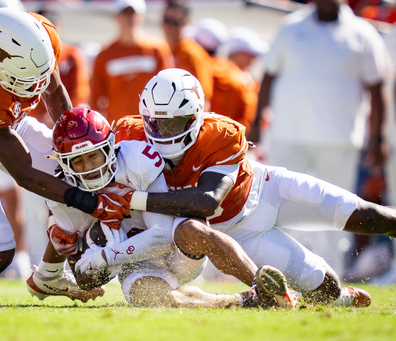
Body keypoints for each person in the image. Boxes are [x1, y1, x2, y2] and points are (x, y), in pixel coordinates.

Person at [112, 68, 392, 307]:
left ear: (196, 115)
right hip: (233, 232)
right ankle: (336, 297)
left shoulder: (220, 134)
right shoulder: (128, 134)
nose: (164, 132)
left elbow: (208, 200)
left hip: (267, 189)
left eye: (174, 123)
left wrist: (134, 200)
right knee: (326, 285)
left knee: (368, 215)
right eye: (155, 123)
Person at [0, 7, 130, 307]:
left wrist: (75, 146)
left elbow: (54, 89)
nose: (36, 88)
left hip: (12, 122)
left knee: (74, 173)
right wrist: (89, 202)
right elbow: (23, 173)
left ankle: (50, 275)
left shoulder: (40, 35)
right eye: (27, 81)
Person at [27, 106, 296, 309]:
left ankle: (262, 286)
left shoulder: (136, 159)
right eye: (78, 161)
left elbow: (162, 235)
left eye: (93, 156)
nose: (89, 167)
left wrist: (104, 256)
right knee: (149, 298)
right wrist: (76, 259)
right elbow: (84, 275)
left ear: (109, 146)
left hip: (173, 244)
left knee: (192, 229)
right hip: (134, 264)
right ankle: (240, 301)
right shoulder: (63, 196)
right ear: (64, 164)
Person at [248, 0, 391, 275]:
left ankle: (332, 275)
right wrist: (256, 123)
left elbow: (377, 87)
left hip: (339, 141)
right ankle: (276, 273)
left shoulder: (363, 33)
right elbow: (268, 76)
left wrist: (379, 137)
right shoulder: (291, 27)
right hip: (288, 138)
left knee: (341, 210)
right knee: (276, 207)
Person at [89, 0, 174, 124]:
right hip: (119, 130)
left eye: (133, 13)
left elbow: (169, 90)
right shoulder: (104, 55)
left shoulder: (158, 49)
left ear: (142, 15)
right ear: (116, 16)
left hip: (154, 129)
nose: (130, 18)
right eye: (125, 13)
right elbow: (95, 98)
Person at [193, 18, 258, 133]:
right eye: (250, 56)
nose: (252, 61)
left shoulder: (203, 67)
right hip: (229, 138)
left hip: (208, 135)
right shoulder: (241, 78)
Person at [161, 0, 213, 107]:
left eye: (175, 22)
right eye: (166, 20)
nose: (169, 27)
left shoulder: (192, 53)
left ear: (185, 23)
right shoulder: (160, 49)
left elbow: (204, 98)